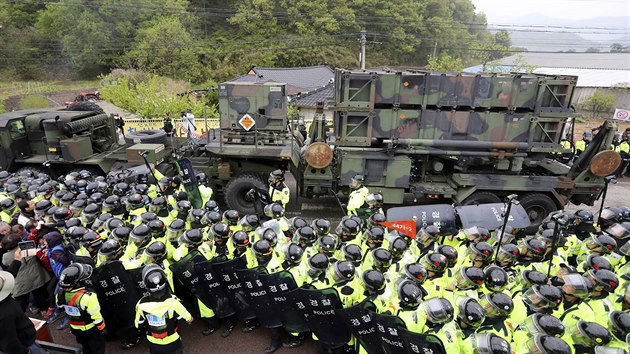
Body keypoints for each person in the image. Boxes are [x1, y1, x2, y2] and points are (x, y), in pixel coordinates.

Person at [135, 264, 192, 354]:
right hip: (173, 342)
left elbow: (138, 324)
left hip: (154, 343)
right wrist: (189, 319)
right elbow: (188, 318)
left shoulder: (141, 304)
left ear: (146, 286)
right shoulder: (173, 301)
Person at [58, 263, 107, 354]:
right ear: (76, 283)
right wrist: (102, 329)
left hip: (74, 328)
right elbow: (96, 316)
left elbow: (61, 307)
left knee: (85, 347)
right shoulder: (89, 296)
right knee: (97, 349)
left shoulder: (60, 294)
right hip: (90, 329)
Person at [0, 270, 47, 354]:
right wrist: (25, 352)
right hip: (24, 345)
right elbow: (9, 342)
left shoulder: (5, 303)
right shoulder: (5, 313)